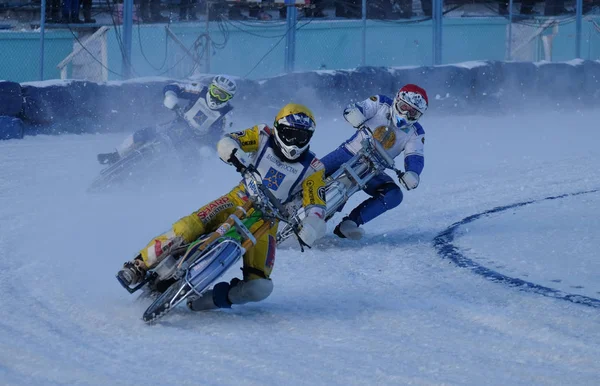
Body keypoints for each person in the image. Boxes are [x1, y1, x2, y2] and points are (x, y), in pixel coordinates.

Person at [117, 103, 327, 311]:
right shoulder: (262, 134)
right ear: (278, 128)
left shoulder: (314, 168)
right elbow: (230, 140)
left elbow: (316, 206)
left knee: (259, 287)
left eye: (301, 137)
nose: (293, 142)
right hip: (239, 199)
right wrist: (233, 152)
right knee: (188, 227)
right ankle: (139, 265)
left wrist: (311, 226)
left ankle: (209, 300)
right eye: (289, 134)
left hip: (267, 223)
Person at [320, 84, 428, 240]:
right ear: (397, 100)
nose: (405, 114)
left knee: (394, 195)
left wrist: (413, 173)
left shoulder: (416, 132)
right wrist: (354, 113)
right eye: (404, 107)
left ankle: (351, 222)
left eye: (413, 113)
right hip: (347, 153)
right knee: (312, 171)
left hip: (372, 171)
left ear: (419, 116)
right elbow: (357, 108)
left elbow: (415, 155)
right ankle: (281, 200)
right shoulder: (381, 103)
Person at [97, 75, 237, 165]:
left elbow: (218, 137)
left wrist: (209, 148)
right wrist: (170, 96)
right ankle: (116, 155)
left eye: (222, 95)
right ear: (210, 88)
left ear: (228, 98)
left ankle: (180, 190)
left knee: (191, 167)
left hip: (195, 140)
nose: (215, 97)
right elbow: (174, 87)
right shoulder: (199, 89)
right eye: (214, 91)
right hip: (178, 123)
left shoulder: (226, 116)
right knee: (142, 133)